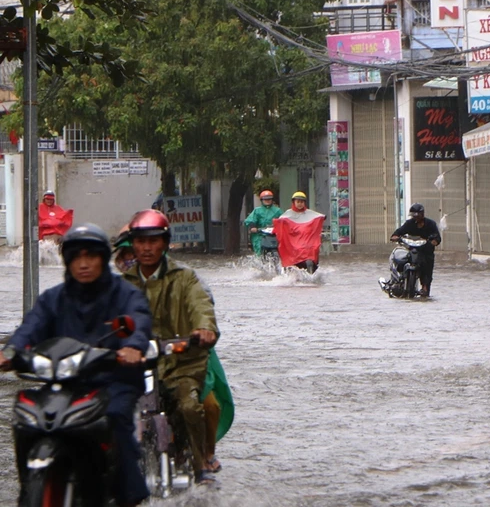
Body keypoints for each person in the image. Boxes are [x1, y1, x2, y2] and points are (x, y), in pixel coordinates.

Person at [1, 223, 153, 506]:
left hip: (113, 381)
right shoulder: (53, 298)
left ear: (102, 259)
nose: (84, 264)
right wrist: (9, 353)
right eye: (76, 257)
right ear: (68, 262)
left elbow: (138, 323)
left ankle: (129, 496)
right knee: (27, 419)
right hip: (62, 384)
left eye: (91, 256)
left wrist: (131, 347)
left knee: (116, 418)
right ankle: (30, 488)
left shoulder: (125, 294)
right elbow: (30, 329)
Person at [113, 226, 233, 475]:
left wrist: (202, 329)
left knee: (202, 405)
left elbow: (202, 303)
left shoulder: (185, 277)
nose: (132, 258)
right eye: (127, 254)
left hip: (184, 352)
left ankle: (204, 457)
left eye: (151, 243)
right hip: (135, 361)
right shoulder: (119, 286)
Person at [391, 203, 441, 297]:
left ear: (422, 214)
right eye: (414, 216)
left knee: (427, 266)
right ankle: (397, 279)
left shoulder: (431, 224)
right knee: (401, 259)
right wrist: (395, 236)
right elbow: (400, 231)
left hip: (426, 251)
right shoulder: (409, 223)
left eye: (417, 216)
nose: (416, 218)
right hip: (412, 249)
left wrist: (433, 242)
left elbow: (437, 238)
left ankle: (425, 287)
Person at [273, 191, 326, 272]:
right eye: (298, 202)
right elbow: (279, 222)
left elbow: (319, 217)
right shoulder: (288, 214)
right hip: (293, 244)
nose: (300, 204)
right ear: (293, 202)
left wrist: (323, 218)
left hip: (307, 243)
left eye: (302, 202)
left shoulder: (309, 213)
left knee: (312, 254)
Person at [244, 190, 282, 255]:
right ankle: (259, 259)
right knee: (259, 247)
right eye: (265, 199)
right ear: (262, 200)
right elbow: (251, 219)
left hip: (274, 234)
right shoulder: (257, 210)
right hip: (260, 234)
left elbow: (283, 220)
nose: (267, 201)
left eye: (269, 199)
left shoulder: (277, 210)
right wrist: (253, 227)